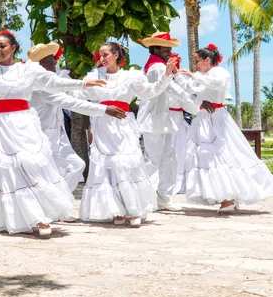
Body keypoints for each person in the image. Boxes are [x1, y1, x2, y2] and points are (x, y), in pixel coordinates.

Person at [0, 31, 106, 236]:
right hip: (2, 125)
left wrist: (83, 84)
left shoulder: (28, 69)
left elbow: (54, 83)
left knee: (32, 166)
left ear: (13, 48)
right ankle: (27, 219)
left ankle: (41, 216)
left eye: (2, 46)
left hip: (25, 123)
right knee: (12, 171)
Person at [79, 42, 178, 227]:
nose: (102, 58)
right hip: (102, 125)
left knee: (126, 164)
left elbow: (151, 91)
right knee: (106, 167)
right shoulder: (94, 76)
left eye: (106, 54)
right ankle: (116, 209)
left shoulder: (130, 76)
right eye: (100, 55)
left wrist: (166, 76)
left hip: (123, 124)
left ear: (116, 55)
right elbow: (78, 94)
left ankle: (133, 209)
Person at [177, 44, 273, 211]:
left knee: (222, 155)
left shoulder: (220, 73)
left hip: (217, 117)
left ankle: (228, 198)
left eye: (198, 60)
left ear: (208, 60)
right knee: (206, 157)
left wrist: (194, 75)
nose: (196, 64)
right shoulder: (199, 75)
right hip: (202, 118)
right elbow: (190, 89)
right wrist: (177, 76)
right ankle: (226, 197)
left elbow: (216, 85)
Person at [27, 42, 126, 193]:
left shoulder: (48, 84)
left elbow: (65, 90)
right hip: (40, 138)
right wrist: (104, 108)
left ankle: (59, 201)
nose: (56, 61)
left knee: (77, 165)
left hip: (56, 136)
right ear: (43, 63)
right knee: (39, 177)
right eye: (52, 58)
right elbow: (71, 102)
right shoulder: (41, 87)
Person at [136, 33, 199, 211]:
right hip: (153, 120)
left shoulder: (163, 66)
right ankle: (131, 190)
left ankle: (163, 198)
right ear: (156, 49)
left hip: (161, 120)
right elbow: (173, 90)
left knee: (169, 159)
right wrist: (195, 108)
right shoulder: (156, 68)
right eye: (166, 49)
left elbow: (178, 84)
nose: (169, 52)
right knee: (153, 161)